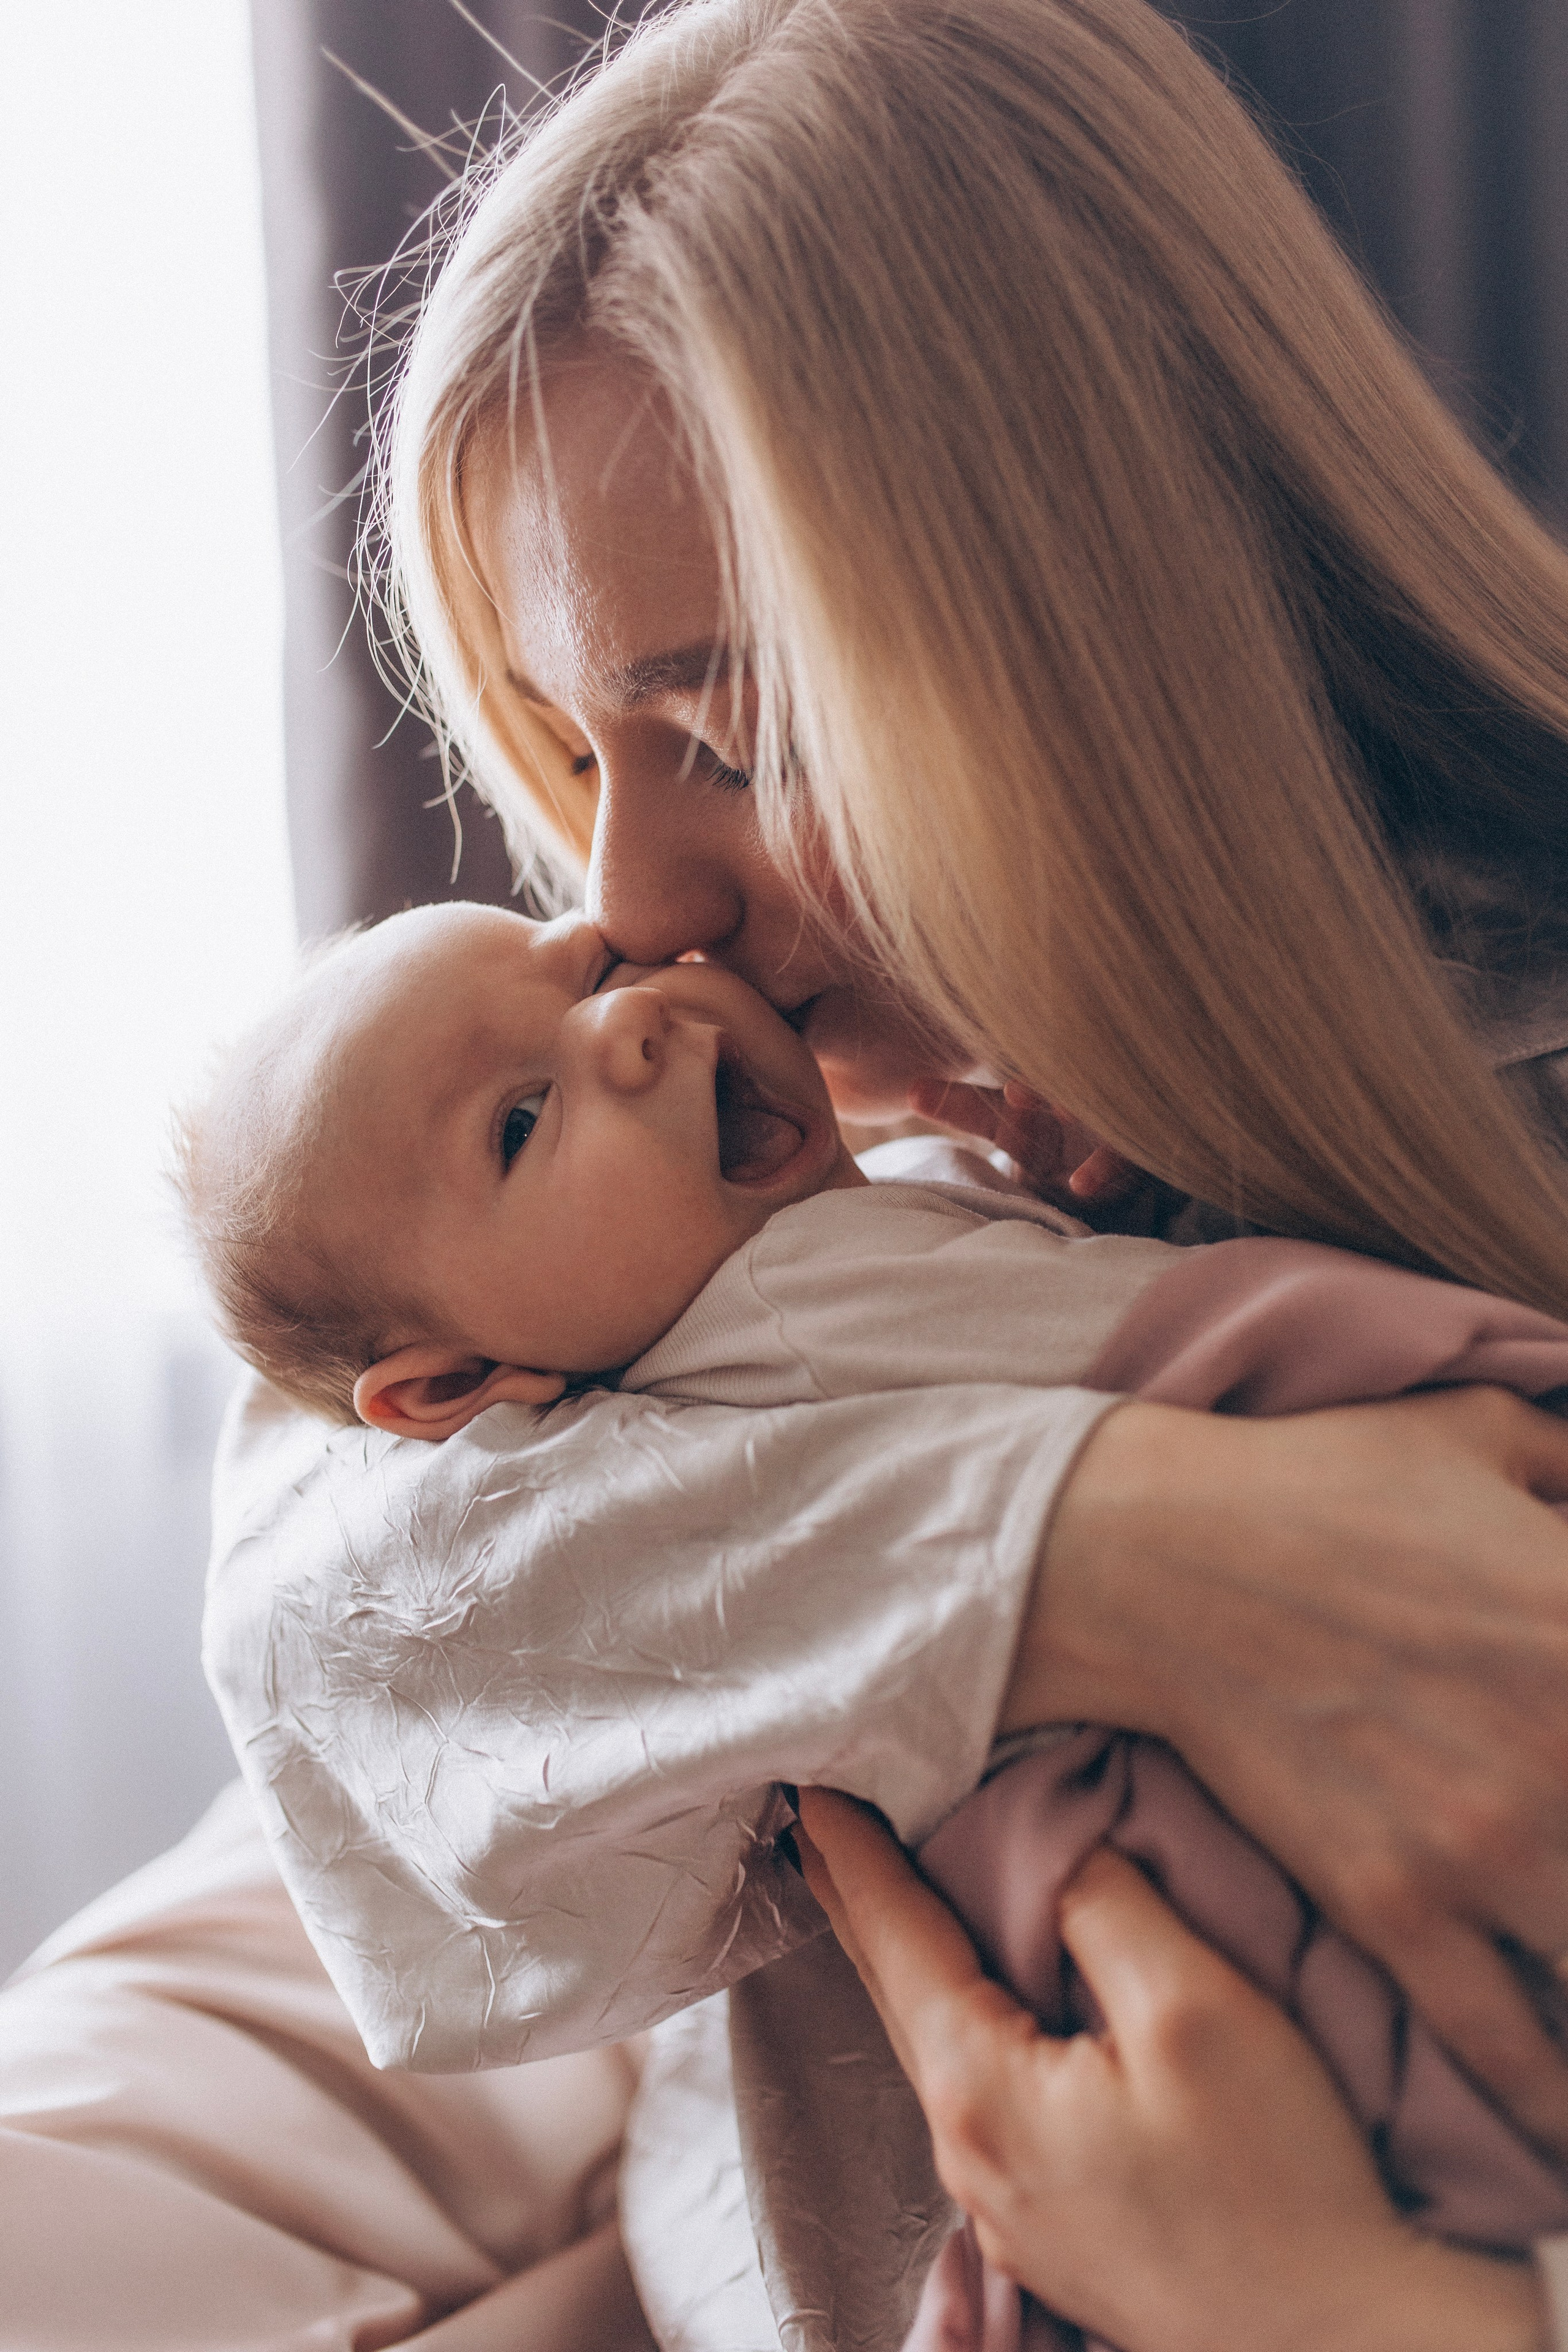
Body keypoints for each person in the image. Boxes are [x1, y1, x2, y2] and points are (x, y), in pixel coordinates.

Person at [10, 0, 1568, 2342]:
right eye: (577, 745)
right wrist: (1111, 1551)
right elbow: (332, 1585)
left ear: (1099, 635)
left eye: (730, 732)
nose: (634, 905)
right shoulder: (813, 1177)